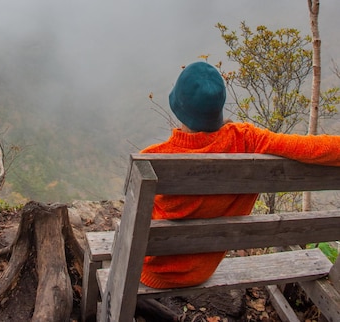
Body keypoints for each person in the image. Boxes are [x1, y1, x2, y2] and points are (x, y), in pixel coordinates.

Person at [140, 61, 340, 289]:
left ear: (178, 105)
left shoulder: (152, 159)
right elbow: (312, 148)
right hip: (203, 270)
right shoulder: (247, 140)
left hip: (152, 271)